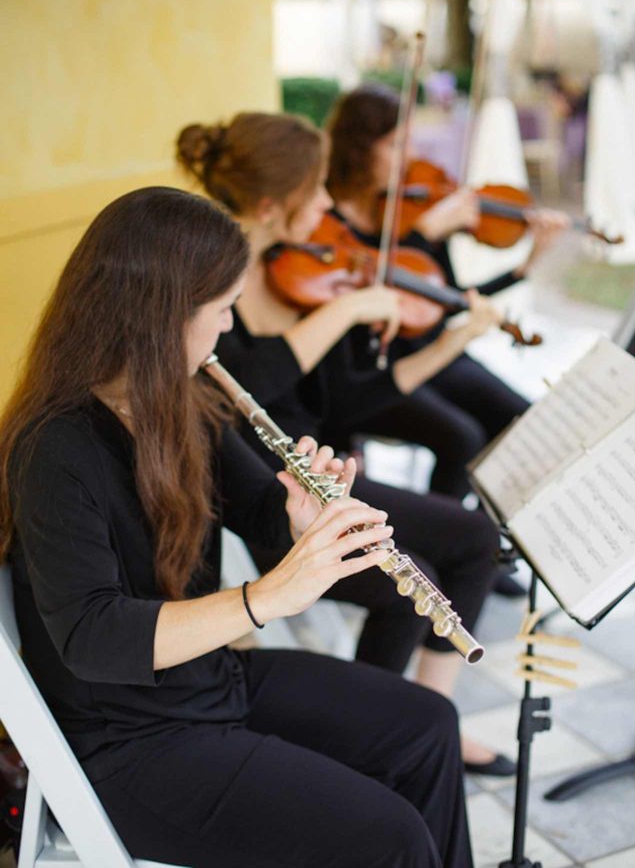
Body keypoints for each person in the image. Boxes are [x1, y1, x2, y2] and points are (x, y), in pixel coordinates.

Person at [0, 186, 475, 868]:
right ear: (163, 316)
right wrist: (265, 598)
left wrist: (299, 519)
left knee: (429, 726)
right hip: (131, 745)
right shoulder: (55, 448)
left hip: (206, 683)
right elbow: (92, 637)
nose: (228, 328)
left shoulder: (181, 405)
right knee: (392, 837)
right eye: (222, 309)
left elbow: (258, 513)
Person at [176, 114, 515, 776]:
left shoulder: (300, 274)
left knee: (471, 539)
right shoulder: (211, 287)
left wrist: (448, 341)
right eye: (319, 193)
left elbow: (349, 401)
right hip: (256, 489)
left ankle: (424, 716)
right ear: (274, 207)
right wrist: (346, 312)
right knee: (401, 582)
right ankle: (380, 738)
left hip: (309, 470)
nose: (333, 206)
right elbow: (233, 389)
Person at [325, 83, 567, 501]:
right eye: (396, 144)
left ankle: (492, 538)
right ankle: (452, 541)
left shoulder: (408, 209)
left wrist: (523, 268)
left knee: (523, 420)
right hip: (385, 366)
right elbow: (387, 295)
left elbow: (443, 298)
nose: (411, 157)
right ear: (359, 147)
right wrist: (424, 233)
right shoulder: (328, 222)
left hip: (434, 351)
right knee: (463, 438)